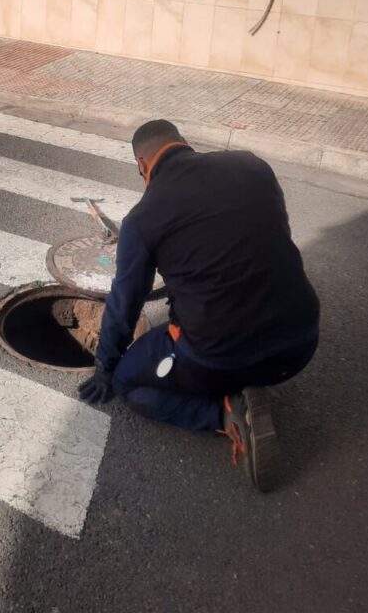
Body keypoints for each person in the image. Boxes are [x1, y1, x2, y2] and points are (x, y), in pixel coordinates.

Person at [78, 119, 320, 491]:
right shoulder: (252, 166)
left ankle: (226, 415)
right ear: (184, 142)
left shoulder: (143, 219)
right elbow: (275, 236)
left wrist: (104, 368)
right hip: (301, 342)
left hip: (218, 355)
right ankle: (248, 385)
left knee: (129, 383)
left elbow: (125, 305)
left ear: (142, 165)